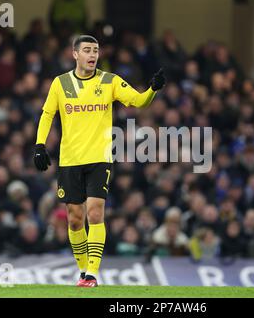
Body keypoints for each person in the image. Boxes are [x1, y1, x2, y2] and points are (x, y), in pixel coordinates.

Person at [33, 35, 165, 287]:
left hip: (99, 159)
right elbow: (48, 114)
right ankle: (83, 270)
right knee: (74, 218)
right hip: (70, 160)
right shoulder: (61, 84)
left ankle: (92, 273)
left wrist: (152, 89)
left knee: (94, 212)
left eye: (95, 50)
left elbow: (138, 101)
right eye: (87, 50)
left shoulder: (109, 80)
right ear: (75, 54)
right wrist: (40, 145)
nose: (92, 55)